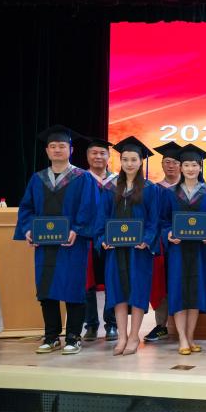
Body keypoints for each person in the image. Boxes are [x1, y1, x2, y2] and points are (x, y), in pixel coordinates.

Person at [15, 125, 98, 355]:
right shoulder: (37, 178)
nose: (57, 150)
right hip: (45, 244)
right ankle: (51, 336)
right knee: (46, 289)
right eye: (53, 146)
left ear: (71, 150)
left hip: (73, 244)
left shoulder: (83, 178)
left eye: (62, 146)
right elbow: (27, 208)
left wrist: (77, 230)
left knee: (74, 288)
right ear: (47, 151)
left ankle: (73, 336)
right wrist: (28, 230)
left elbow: (90, 208)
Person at [159, 144, 206, 355]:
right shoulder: (170, 193)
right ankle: (182, 339)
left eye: (194, 165)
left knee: (196, 293)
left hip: (201, 252)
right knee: (179, 292)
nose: (190, 169)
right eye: (186, 165)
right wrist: (168, 234)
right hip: (178, 251)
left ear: (200, 167)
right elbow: (162, 221)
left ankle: (190, 337)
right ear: (180, 167)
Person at [96, 137, 160, 356]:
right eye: (125, 159)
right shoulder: (110, 188)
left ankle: (134, 336)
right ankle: (122, 337)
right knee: (117, 292)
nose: (129, 164)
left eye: (134, 159)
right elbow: (101, 218)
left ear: (141, 161)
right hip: (116, 250)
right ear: (120, 161)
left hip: (139, 251)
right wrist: (103, 239)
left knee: (137, 291)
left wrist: (147, 239)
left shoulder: (150, 189)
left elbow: (154, 221)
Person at [145, 141, 182, 343]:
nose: (171, 166)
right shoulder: (154, 189)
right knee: (160, 284)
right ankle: (161, 325)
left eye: (175, 162)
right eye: (167, 162)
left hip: (184, 244)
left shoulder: (191, 189)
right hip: (159, 243)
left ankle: (184, 327)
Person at [83, 136, 118, 342]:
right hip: (86, 239)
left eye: (102, 153)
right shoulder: (80, 179)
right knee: (87, 284)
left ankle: (111, 324)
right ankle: (91, 325)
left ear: (108, 156)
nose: (98, 156)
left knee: (112, 281)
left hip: (111, 239)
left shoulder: (118, 182)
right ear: (87, 156)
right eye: (94, 153)